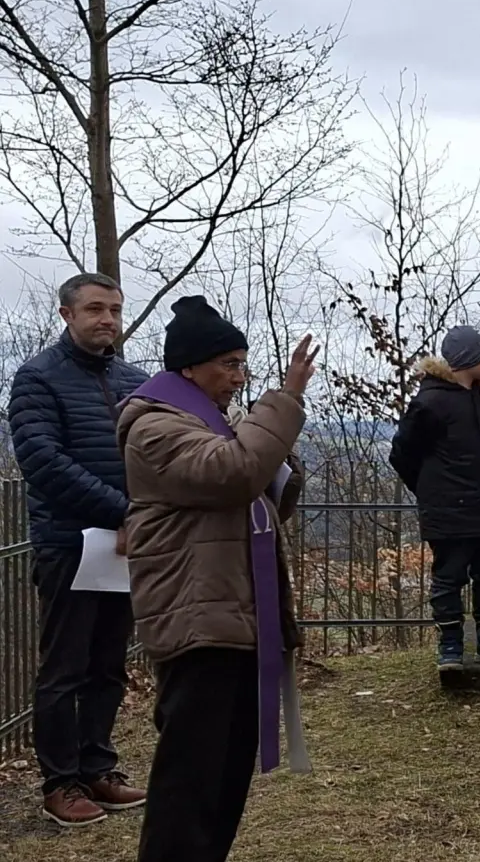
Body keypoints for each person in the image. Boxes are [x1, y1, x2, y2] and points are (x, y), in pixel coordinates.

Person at [119, 297, 315, 862]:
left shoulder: (204, 421)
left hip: (232, 614)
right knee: (191, 777)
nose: (238, 377)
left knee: (226, 773)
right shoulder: (154, 427)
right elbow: (233, 475)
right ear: (188, 368)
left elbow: (256, 496)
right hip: (196, 617)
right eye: (228, 364)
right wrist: (287, 399)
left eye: (241, 363)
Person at [9, 273, 149, 826]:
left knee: (109, 666)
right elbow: (42, 461)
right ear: (66, 314)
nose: (107, 320)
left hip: (125, 546)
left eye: (114, 310)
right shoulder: (36, 377)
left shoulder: (135, 379)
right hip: (69, 545)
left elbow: (152, 454)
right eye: (94, 309)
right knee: (64, 670)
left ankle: (98, 768)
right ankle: (60, 783)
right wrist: (124, 512)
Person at [389, 325, 480, 671]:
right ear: (468, 358)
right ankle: (450, 644)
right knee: (449, 577)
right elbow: (403, 454)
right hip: (449, 510)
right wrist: (432, 489)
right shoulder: (431, 402)